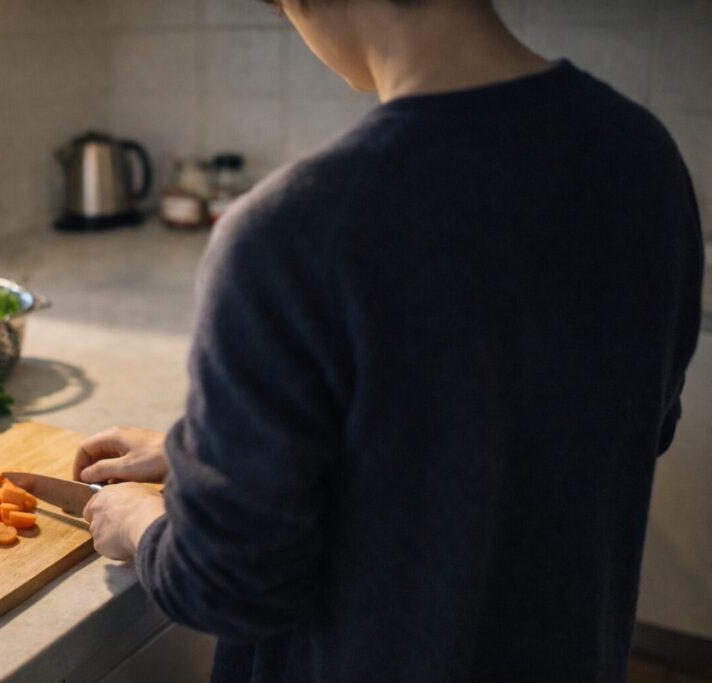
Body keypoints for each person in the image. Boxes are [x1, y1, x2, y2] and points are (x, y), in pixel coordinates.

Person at [78, 0, 705, 680]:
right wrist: (205, 460)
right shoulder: (642, 157)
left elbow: (229, 582)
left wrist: (140, 522)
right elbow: (585, 428)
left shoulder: (290, 234)